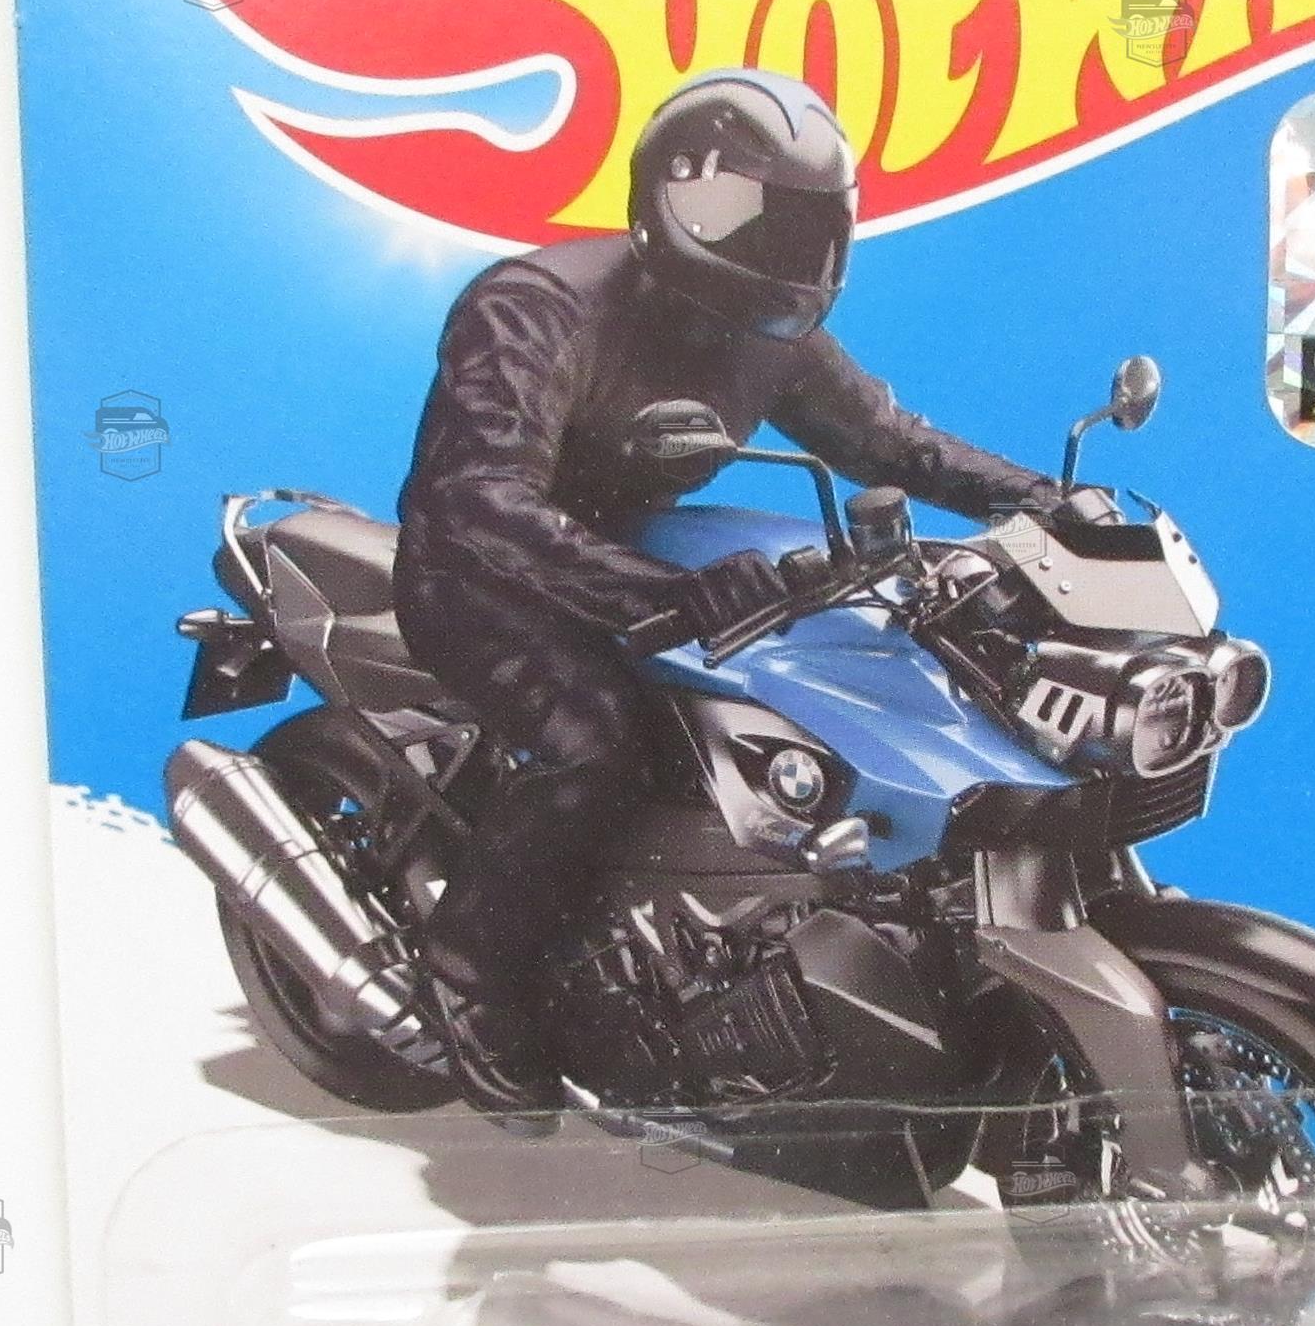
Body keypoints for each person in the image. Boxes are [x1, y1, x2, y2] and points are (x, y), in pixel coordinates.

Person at [395, 66, 1071, 1118]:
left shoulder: (770, 337)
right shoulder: (533, 307)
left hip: (639, 560)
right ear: (673, 197)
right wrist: (656, 589)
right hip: (478, 578)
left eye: (808, 228)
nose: (784, 252)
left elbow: (891, 444)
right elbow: (479, 499)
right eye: (754, 218)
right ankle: (467, 968)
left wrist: (1044, 502)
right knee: (598, 742)